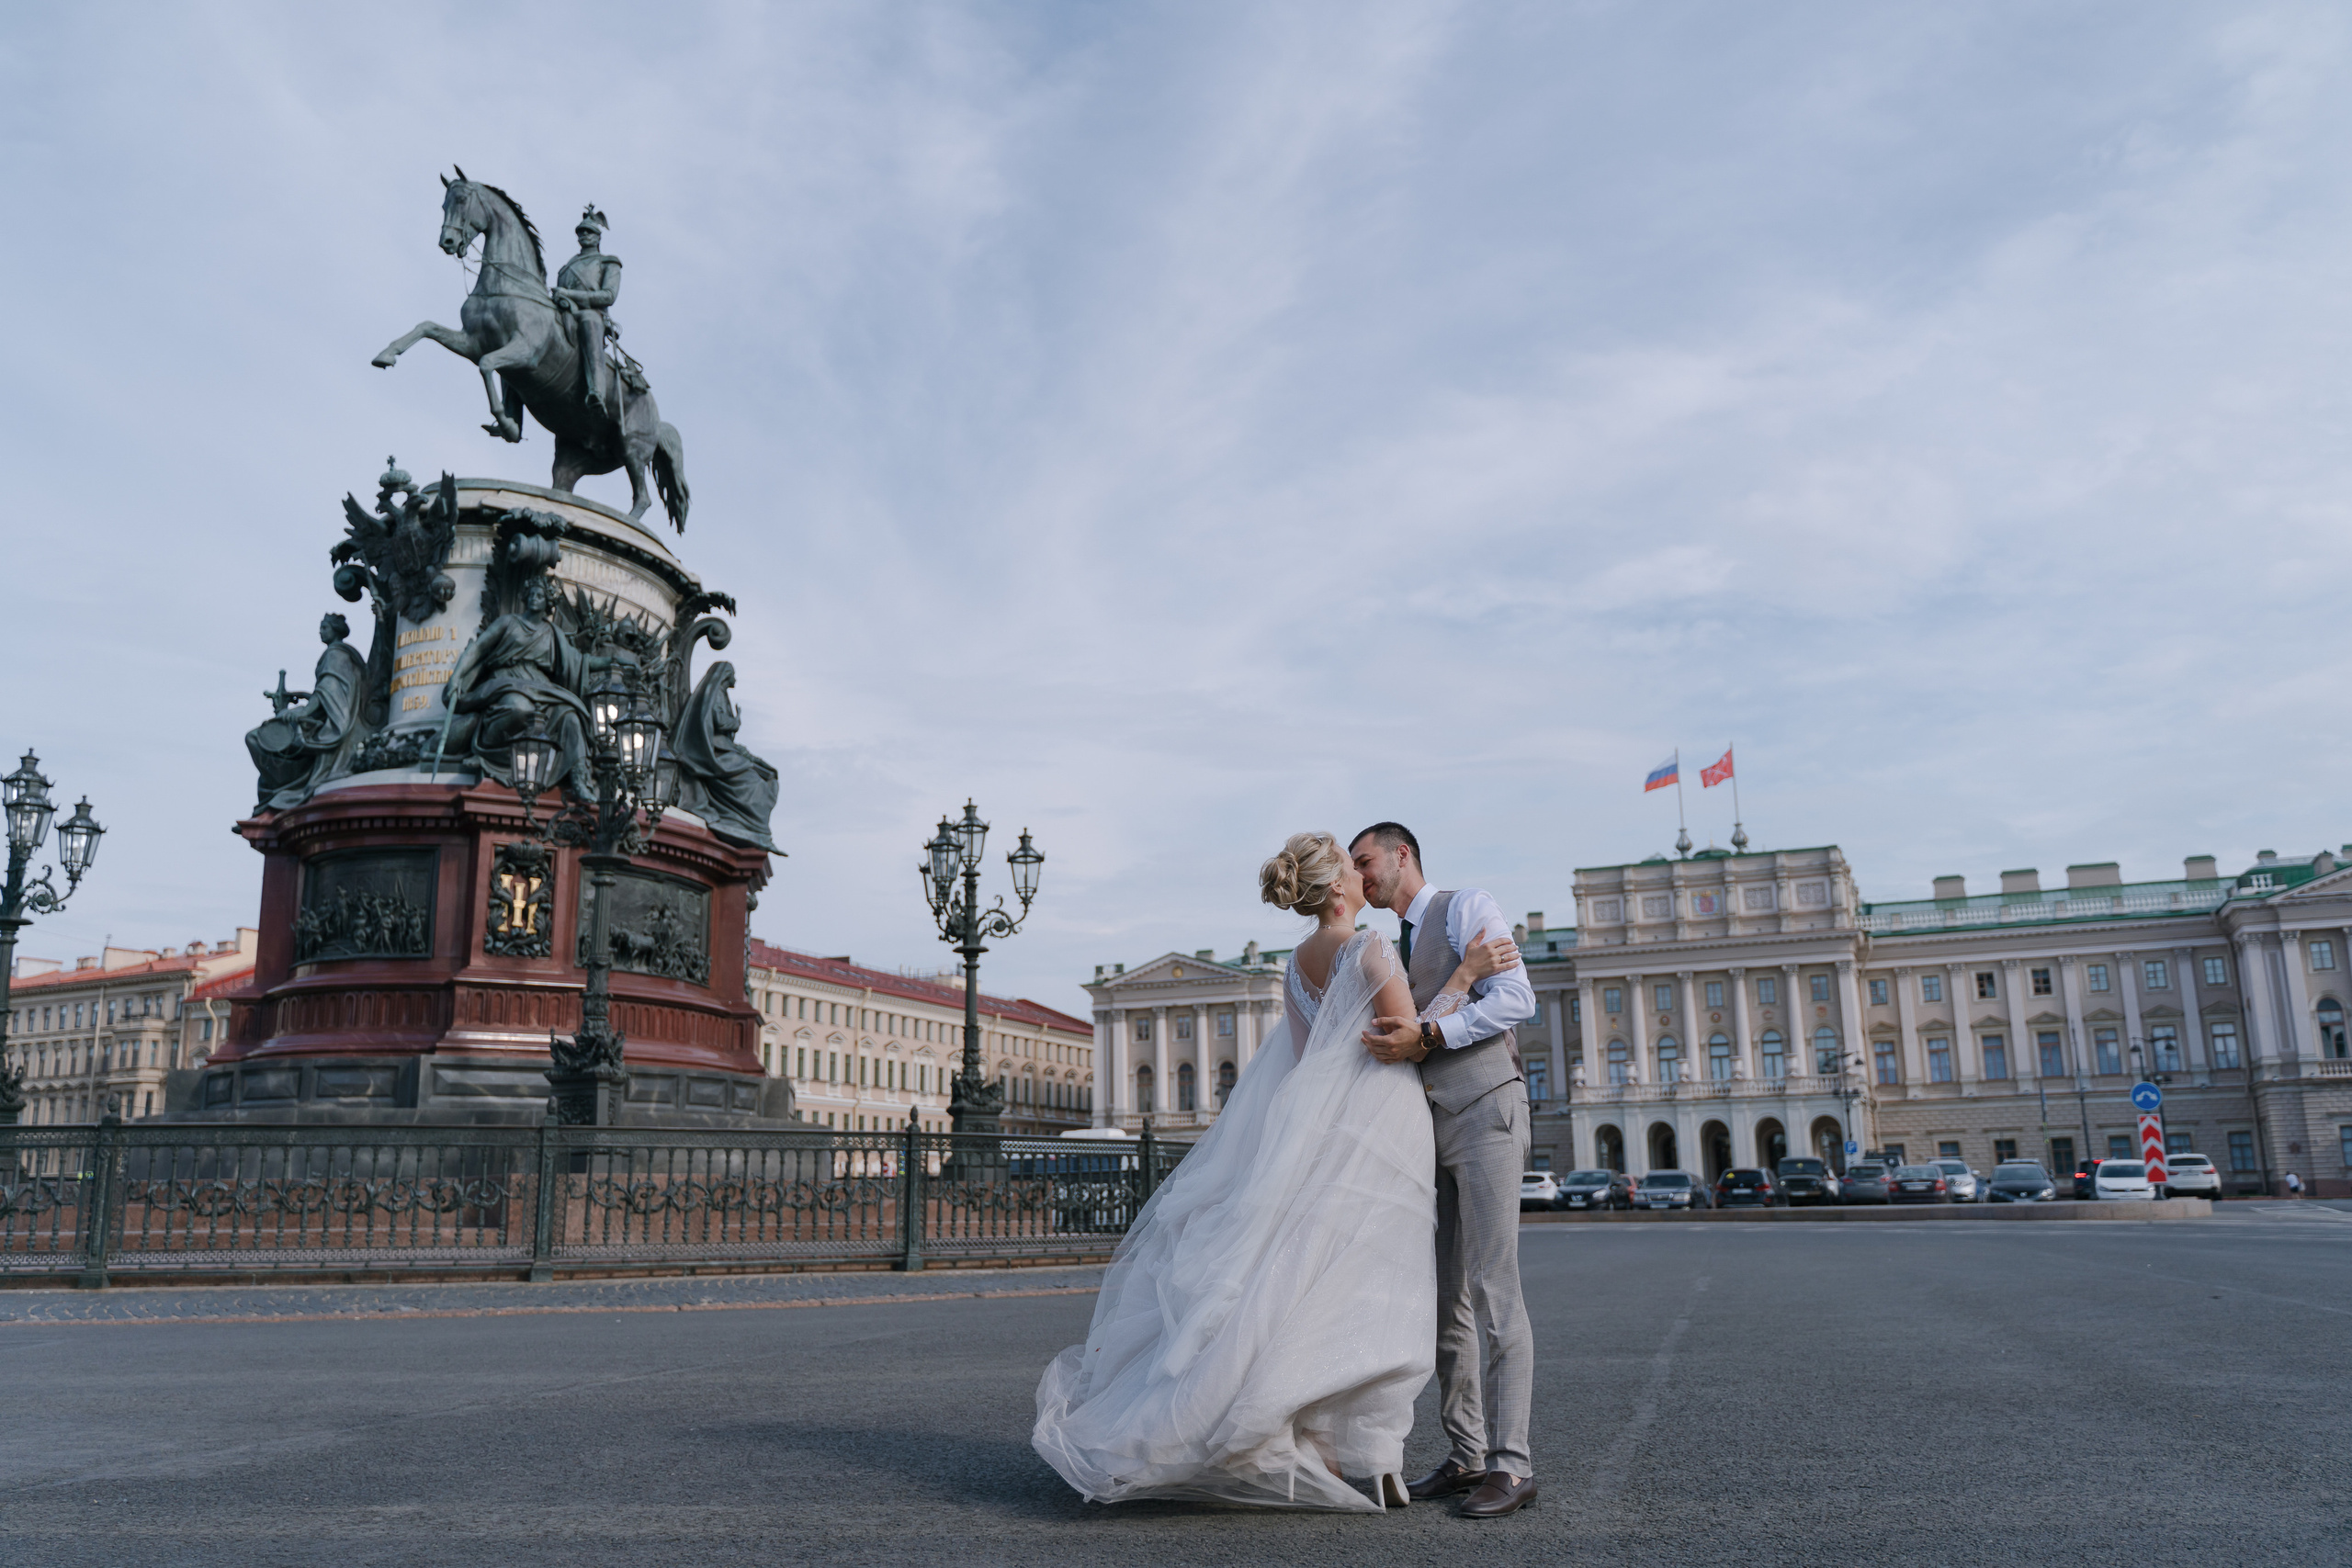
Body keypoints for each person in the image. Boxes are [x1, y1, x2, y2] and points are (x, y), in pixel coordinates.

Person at [1033, 831, 1517, 1512]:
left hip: (1324, 1130)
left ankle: (1311, 1441)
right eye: (1353, 865)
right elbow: (1403, 1041)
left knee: (1308, 1280)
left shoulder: (1295, 963)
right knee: (1373, 1283)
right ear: (1341, 885)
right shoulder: (1370, 945)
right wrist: (1463, 979)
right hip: (1381, 1127)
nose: (1361, 872)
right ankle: (1366, 1453)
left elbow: (1303, 1059)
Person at [1353, 821, 1541, 1518]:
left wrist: (1431, 1034)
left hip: (1487, 1106)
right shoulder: (1387, 943)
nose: (1360, 874)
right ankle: (1467, 1453)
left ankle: (1513, 1464)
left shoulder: (1465, 906)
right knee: (1445, 1299)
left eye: (1365, 860)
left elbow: (1517, 998)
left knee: (1495, 1288)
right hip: (1426, 1126)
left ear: (1402, 854)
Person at [555, 206, 622, 418]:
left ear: (598, 236)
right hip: (564, 312)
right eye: (581, 232)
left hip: (591, 314)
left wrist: (570, 294)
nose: (584, 235)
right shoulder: (565, 268)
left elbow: (608, 296)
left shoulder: (608, 262)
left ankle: (597, 392)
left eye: (589, 232)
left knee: (589, 321)